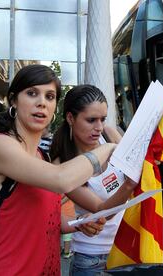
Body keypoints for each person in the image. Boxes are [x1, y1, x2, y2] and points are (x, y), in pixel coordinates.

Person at [0, 64, 114, 275]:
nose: (41, 102)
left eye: (50, 97)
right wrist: (109, 147)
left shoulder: (41, 156)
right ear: (13, 99)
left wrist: (79, 224)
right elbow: (62, 179)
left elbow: (48, 219)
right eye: (32, 93)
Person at [50, 85, 137, 275]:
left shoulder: (109, 135)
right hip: (92, 257)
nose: (98, 127)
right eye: (91, 120)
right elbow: (101, 211)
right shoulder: (64, 165)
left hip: (127, 246)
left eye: (102, 119)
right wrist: (129, 185)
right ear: (71, 118)